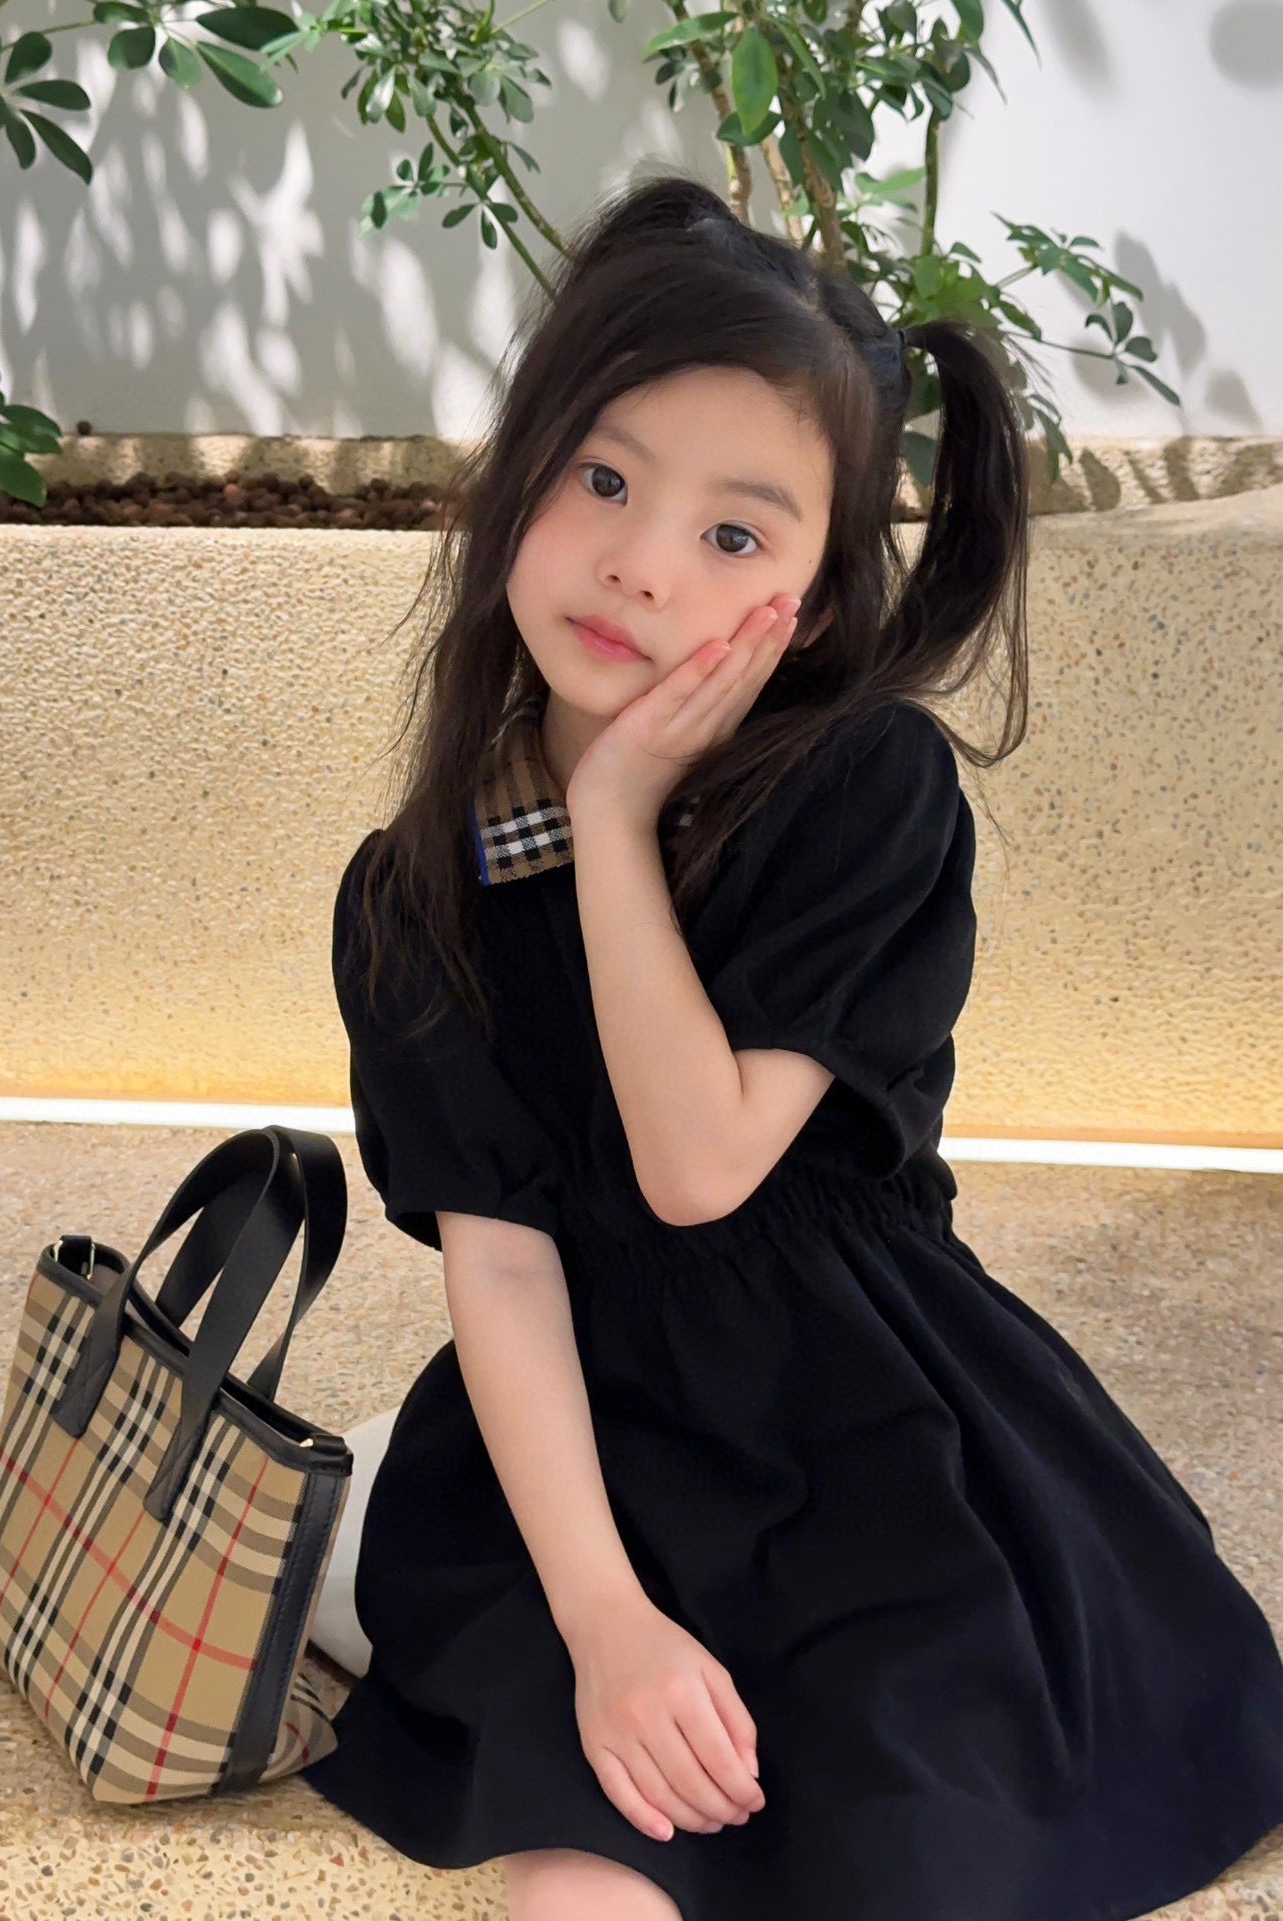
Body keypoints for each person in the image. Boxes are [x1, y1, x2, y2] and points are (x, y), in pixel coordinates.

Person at [300, 166, 1283, 1921]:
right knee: (584, 1873)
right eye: (603, 478)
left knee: (898, 1830)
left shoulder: (861, 786)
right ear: (517, 472)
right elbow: (502, 1265)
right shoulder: (413, 890)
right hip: (584, 1471)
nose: (640, 563)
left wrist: (614, 825)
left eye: (735, 537)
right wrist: (605, 1621)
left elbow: (697, 1166)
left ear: (817, 606)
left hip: (854, 1430)